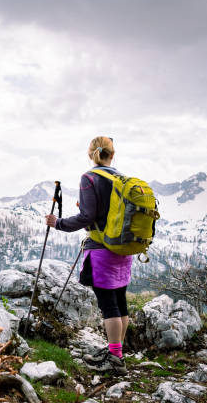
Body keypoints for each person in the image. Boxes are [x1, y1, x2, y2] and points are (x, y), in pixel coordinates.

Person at [45, 136, 131, 375]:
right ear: (112, 154)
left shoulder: (90, 178)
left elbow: (87, 218)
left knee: (108, 306)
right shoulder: (121, 178)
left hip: (102, 249)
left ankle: (114, 359)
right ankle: (117, 351)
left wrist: (58, 223)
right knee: (121, 303)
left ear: (91, 153)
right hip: (123, 249)